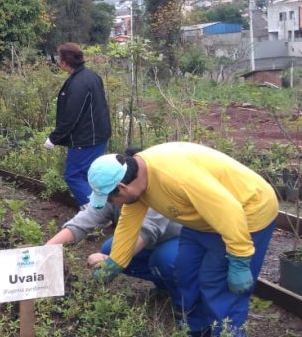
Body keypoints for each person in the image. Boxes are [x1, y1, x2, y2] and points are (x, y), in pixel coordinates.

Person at [86, 142, 279, 337]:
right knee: (186, 272)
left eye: (111, 199)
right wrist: (114, 263)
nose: (112, 204)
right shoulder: (137, 182)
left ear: (121, 187)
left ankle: (227, 333)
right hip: (204, 217)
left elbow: (228, 210)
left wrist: (240, 259)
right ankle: (196, 330)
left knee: (217, 284)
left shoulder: (175, 178)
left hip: (246, 212)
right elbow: (128, 225)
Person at [46, 196, 182, 308]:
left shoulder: (151, 193)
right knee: (109, 249)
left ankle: (186, 307)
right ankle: (165, 286)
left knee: (163, 260)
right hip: (148, 241)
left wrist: (112, 261)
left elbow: (147, 231)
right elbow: (82, 222)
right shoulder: (110, 195)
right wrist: (46, 251)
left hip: (180, 240)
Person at [43, 42, 111, 211]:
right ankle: (102, 211)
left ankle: (95, 213)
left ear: (64, 62)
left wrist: (54, 138)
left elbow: (71, 116)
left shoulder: (79, 83)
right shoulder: (90, 75)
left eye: (59, 59)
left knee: (73, 176)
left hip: (86, 139)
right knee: (91, 176)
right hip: (98, 135)